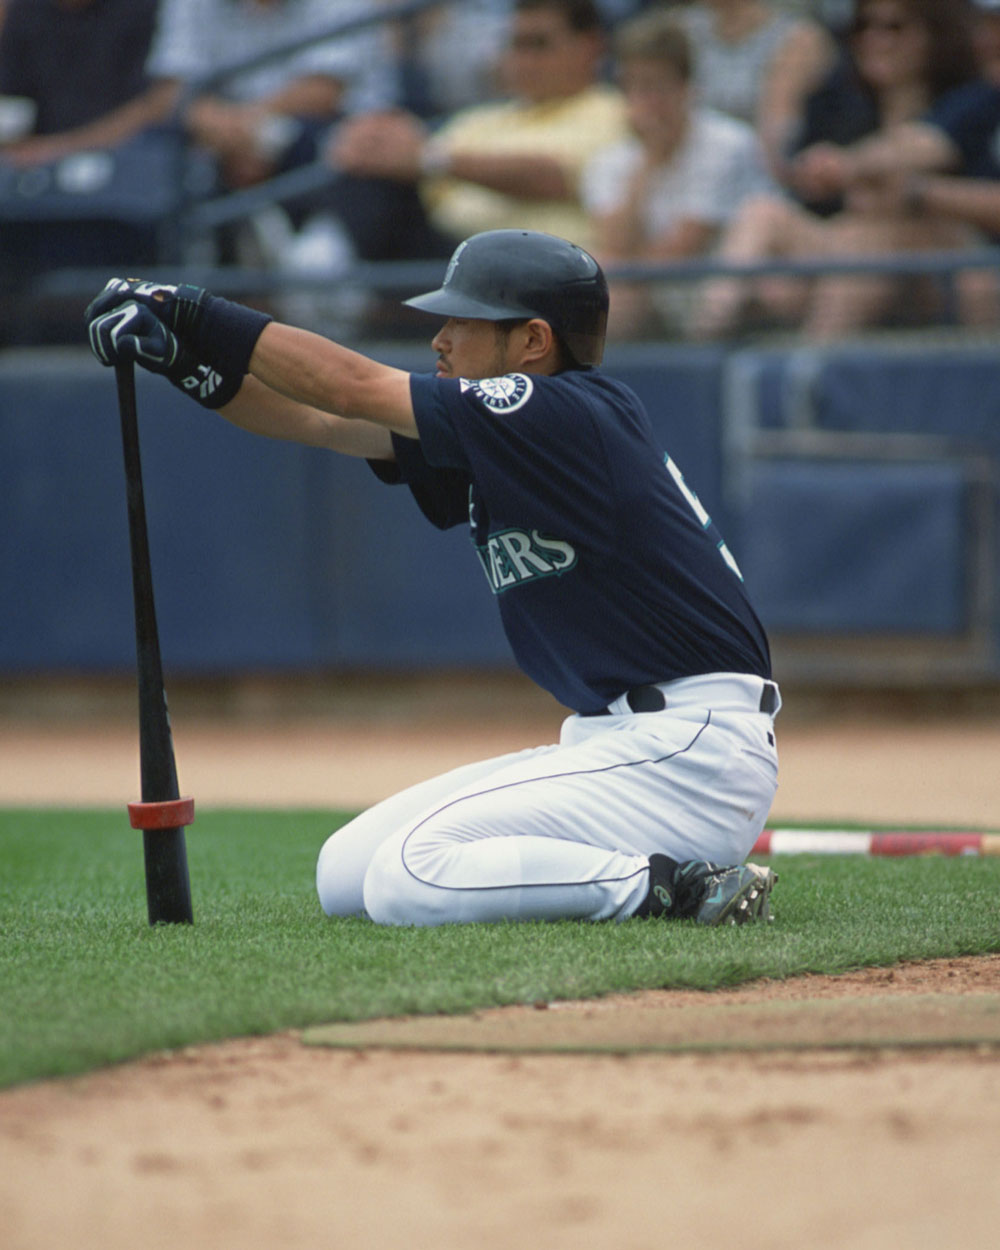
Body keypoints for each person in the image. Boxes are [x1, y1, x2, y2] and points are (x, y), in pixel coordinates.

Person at [83, 228, 780, 929]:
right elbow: (320, 419)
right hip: (619, 743)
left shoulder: (563, 412)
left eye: (463, 321)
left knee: (408, 874)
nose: (440, 339)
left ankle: (677, 888)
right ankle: (662, 875)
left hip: (691, 751)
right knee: (346, 873)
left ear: (533, 341)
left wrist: (191, 308)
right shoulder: (509, 432)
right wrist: (184, 363)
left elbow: (349, 385)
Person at [692, 0, 983, 339]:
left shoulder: (968, 101)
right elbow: (804, 182)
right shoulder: (841, 106)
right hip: (846, 263)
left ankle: (810, 365)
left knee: (870, 239)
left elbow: (925, 147)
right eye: (863, 28)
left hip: (940, 269)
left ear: (934, 35)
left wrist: (848, 168)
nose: (875, 39)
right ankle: (705, 340)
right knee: (763, 214)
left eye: (894, 28)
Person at [300, 0, 629, 265]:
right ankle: (311, 255)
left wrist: (429, 159)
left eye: (538, 44)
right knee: (364, 173)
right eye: (516, 44)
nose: (524, 59)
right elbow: (417, 164)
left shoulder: (611, 111)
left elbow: (555, 177)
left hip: (538, 269)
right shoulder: (483, 119)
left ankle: (317, 263)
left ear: (590, 45)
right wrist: (368, 139)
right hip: (448, 256)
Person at [581, 8, 777, 338]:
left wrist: (628, 262)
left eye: (657, 87)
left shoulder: (727, 143)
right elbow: (613, 243)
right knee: (598, 286)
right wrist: (647, 163)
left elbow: (684, 249)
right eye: (636, 87)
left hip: (734, 299)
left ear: (686, 88)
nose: (647, 101)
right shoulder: (609, 161)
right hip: (657, 300)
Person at [144, 0, 395, 195]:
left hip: (326, 140)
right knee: (159, 148)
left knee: (331, 141)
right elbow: (172, 86)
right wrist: (229, 132)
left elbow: (323, 92)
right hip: (221, 142)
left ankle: (321, 248)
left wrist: (246, 132)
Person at [670, 0, 837, 177]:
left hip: (754, 177)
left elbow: (775, 140)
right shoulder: (679, 31)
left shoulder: (796, 38)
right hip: (682, 170)